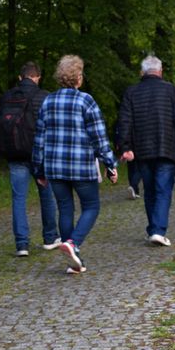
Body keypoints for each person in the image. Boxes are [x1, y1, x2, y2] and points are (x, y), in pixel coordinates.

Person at [33, 54, 118, 274]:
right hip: (81, 166)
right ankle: (73, 243)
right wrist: (110, 163)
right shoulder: (86, 101)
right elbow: (99, 137)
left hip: (55, 167)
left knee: (65, 208)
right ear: (78, 77)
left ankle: (73, 259)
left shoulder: (48, 101)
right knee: (91, 206)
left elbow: (39, 139)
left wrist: (38, 170)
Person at [116, 54, 175, 248]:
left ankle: (153, 230)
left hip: (142, 150)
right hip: (167, 148)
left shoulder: (132, 92)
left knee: (149, 190)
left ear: (142, 72)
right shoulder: (171, 91)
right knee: (163, 190)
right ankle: (158, 231)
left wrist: (125, 147)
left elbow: (124, 122)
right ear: (160, 71)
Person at [0, 61, 59, 256]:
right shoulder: (45, 96)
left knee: (18, 198)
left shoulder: (7, 97)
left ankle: (22, 244)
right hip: (41, 154)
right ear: (37, 77)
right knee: (46, 194)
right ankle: (50, 237)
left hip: (15, 154)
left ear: (20, 77)